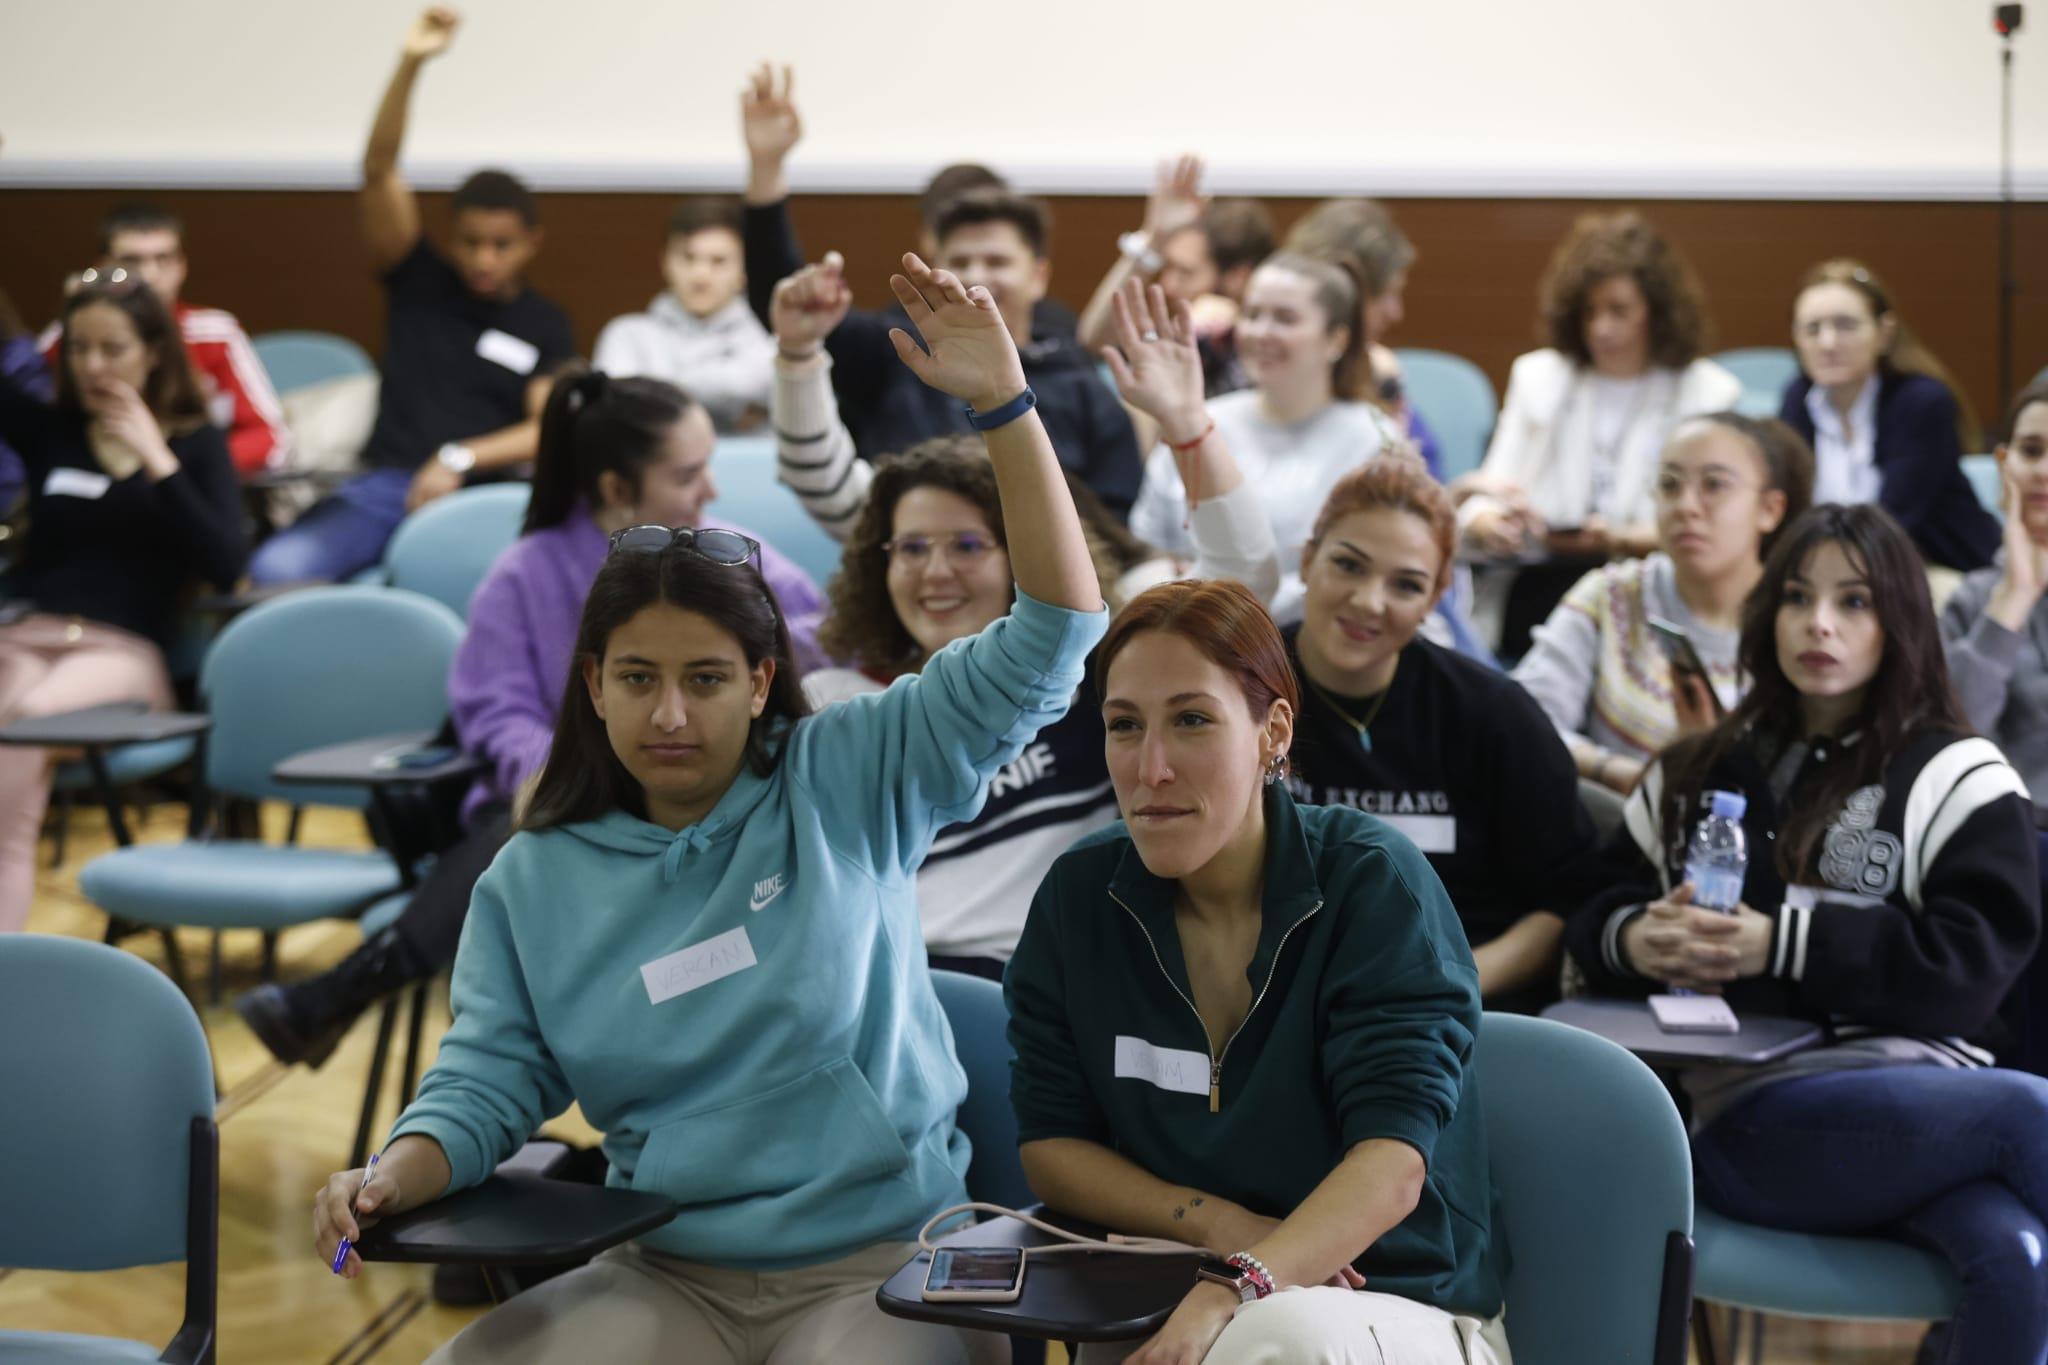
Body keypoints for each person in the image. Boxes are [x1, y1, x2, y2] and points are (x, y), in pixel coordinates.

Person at [312, 253, 1101, 1364]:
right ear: (592, 685)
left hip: (884, 1262)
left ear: (762, 683)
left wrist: (1005, 410)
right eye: (636, 679)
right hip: (666, 1264)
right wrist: (397, 1168)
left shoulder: (846, 776)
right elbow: (488, 1079)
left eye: (708, 679)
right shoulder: (534, 878)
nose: (670, 714)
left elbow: (1058, 628)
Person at [1565, 502, 2044, 1365]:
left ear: (1900, 620)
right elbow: (1591, 908)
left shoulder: (1960, 773)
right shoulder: (1695, 767)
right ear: (1766, 615)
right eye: (1796, 597)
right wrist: (1635, 937)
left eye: (1855, 601)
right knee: (2031, 1108)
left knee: (2016, 1256)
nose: (1819, 622)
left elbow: (1970, 974)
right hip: (1751, 1116)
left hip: (1932, 1103)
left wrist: (1780, 944)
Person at [237, 369, 827, 1065]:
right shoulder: (526, 571)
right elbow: (496, 713)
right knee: (535, 824)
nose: (711, 492)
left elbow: (815, 639)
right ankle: (385, 1006)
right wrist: (568, 766)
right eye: (689, 474)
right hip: (570, 808)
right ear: (615, 489)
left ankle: (349, 988)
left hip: (708, 800)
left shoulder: (725, 551)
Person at [1004, 577, 1506, 1364]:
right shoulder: (1080, 895)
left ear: (1272, 731)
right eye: (1124, 725)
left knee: (1278, 1340)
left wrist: (1237, 1283)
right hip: (1176, 1289)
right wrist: (1221, 1227)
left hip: (1392, 1304)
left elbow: (1393, 1166)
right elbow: (1052, 1142)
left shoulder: (1371, 882)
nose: (1152, 767)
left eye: (1192, 720)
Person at [1108, 283, 1606, 1009]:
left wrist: (1449, 984)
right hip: (1261, 1009)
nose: (1368, 602)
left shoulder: (1490, 712)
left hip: (1454, 1013)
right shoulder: (1230, 696)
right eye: (1347, 565)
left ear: (1438, 598)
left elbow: (1562, 901)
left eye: (1406, 585)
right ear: (1307, 561)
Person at [247, 6, 575, 586]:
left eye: (502, 245)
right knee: (276, 571)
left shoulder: (543, 321)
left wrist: (457, 457)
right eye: (471, 242)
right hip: (386, 485)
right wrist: (411, 64)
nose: (484, 259)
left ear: (533, 244)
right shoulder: (419, 280)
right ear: (453, 237)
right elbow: (378, 169)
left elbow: (546, 427)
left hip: (484, 495)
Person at [802, 435, 1133, 978]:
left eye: (966, 546)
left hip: (1056, 992)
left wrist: (1187, 428)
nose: (935, 572)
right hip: (895, 992)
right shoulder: (834, 702)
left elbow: (1232, 596)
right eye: (911, 548)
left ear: (1019, 557)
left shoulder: (1093, 677)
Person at [738, 71, 1135, 507]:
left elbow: (1116, 515)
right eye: (960, 262)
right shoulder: (894, 352)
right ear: (934, 266)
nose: (976, 277)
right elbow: (784, 304)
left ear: (1038, 275)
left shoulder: (1072, 373)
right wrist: (767, 169)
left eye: (998, 262)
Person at [0, 277, 246, 931]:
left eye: (112, 348)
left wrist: (155, 457)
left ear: (155, 352)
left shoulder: (194, 446)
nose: (92, 366)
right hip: (25, 639)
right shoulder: (54, 432)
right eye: (78, 348)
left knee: (22, 722)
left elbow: (228, 563)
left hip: (123, 654)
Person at [1514, 413, 1815, 794]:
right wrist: (1615, 772)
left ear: (1770, 509)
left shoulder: (1800, 617)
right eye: (1669, 485)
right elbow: (1524, 722)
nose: (1686, 506)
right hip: (1608, 826)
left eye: (1714, 485)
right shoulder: (1611, 594)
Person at [1458, 212, 1739, 561]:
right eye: (1590, 311)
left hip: (1653, 572)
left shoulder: (1706, 391)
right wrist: (1489, 523)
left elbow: (1718, 525)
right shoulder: (1540, 377)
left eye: (1619, 310)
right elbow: (1488, 490)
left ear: (1658, 312)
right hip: (1543, 570)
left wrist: (1625, 539)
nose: (1600, 328)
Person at [1125, 253, 1402, 596]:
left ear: (1336, 340)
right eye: (1252, 315)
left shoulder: (1372, 438)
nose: (1261, 333)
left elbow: (1367, 574)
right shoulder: (1201, 418)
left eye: (1285, 319)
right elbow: (1150, 541)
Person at [37, 202, 290, 476]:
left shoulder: (215, 333)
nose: (149, 275)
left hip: (194, 487)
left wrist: (188, 471)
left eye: (163, 259)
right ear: (104, 267)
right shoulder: (63, 338)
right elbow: (35, 430)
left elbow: (269, 436)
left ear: (182, 266)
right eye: (131, 262)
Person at [1780, 259, 1999, 572]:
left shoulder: (1922, 402)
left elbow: (1896, 523)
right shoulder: (1798, 399)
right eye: (1812, 329)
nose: (1827, 343)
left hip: (1935, 567)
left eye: (1845, 325)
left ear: (1884, 333)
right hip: (1833, 571)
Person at [1074, 157, 1276, 397]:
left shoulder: (1273, 346)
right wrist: (1155, 238)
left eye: (1186, 273)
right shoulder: (1173, 333)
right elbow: (1095, 340)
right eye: (1167, 267)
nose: (1168, 285)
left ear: (1238, 278)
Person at [592, 197, 775, 432]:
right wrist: (735, 404)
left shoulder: (771, 337)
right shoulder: (626, 335)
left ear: (746, 269)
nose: (700, 275)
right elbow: (612, 412)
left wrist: (651, 393)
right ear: (665, 261)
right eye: (688, 258)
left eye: (718, 261)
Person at [1284, 197, 1440, 474]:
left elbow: (1427, 484)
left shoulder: (1382, 380)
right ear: (1350, 297)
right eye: (1388, 293)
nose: (1396, 312)